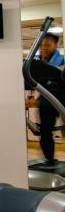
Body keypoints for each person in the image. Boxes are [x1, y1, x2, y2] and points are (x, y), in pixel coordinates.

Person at [33, 33, 65, 166]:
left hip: (61, 97)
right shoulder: (38, 62)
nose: (44, 48)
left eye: (47, 45)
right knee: (45, 133)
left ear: (56, 45)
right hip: (47, 100)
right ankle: (49, 159)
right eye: (41, 45)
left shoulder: (62, 60)